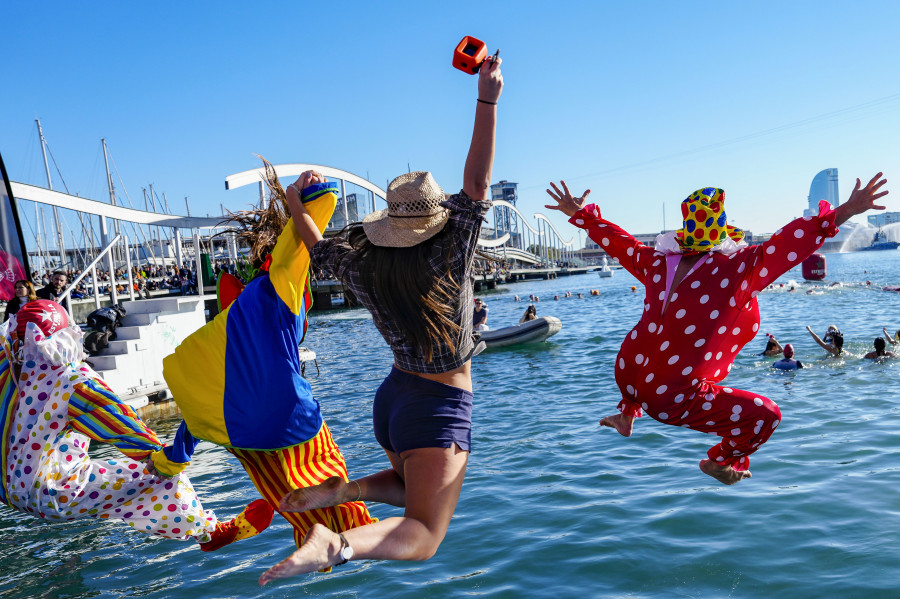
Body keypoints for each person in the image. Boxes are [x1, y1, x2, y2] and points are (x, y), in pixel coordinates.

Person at [260, 54, 503, 584]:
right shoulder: (449, 255)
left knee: (411, 482)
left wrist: (294, 198)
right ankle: (335, 543)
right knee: (424, 534)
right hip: (435, 405)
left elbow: (314, 242)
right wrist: (487, 99)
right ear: (438, 219)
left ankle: (346, 492)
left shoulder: (363, 266)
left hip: (395, 403)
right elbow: (479, 182)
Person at [546, 172, 889, 485]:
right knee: (766, 417)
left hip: (629, 373)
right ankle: (720, 462)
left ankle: (627, 415)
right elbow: (789, 244)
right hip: (670, 395)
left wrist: (582, 215)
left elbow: (618, 243)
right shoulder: (735, 267)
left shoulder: (655, 262)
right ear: (723, 232)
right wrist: (846, 209)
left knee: (662, 350)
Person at [162, 161, 376, 565]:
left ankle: (221, 528)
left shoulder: (232, 313)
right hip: (291, 420)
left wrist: (173, 457)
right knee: (334, 491)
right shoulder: (282, 284)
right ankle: (335, 547)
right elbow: (302, 242)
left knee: (286, 496)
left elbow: (204, 396)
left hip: (237, 428)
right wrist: (313, 193)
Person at [0, 300, 273, 550]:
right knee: (160, 474)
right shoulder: (72, 382)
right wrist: (160, 455)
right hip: (49, 493)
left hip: (4, 487)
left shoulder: (6, 362)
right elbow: (117, 420)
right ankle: (211, 534)